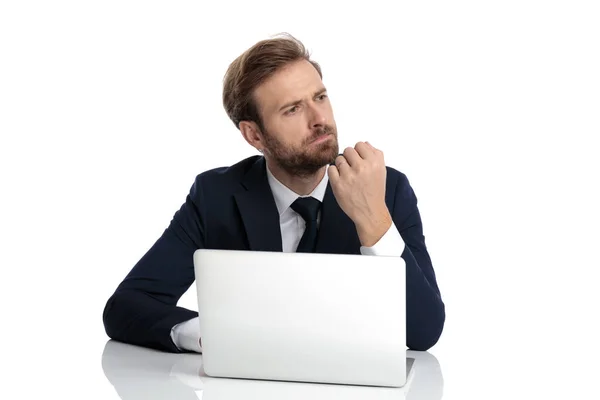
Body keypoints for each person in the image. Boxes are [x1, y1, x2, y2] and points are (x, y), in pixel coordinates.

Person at [102, 33, 445, 353]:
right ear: (254, 136)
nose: (319, 119)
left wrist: (374, 221)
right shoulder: (216, 196)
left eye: (320, 97)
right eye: (292, 109)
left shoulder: (386, 188)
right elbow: (127, 305)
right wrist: (213, 336)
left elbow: (424, 332)